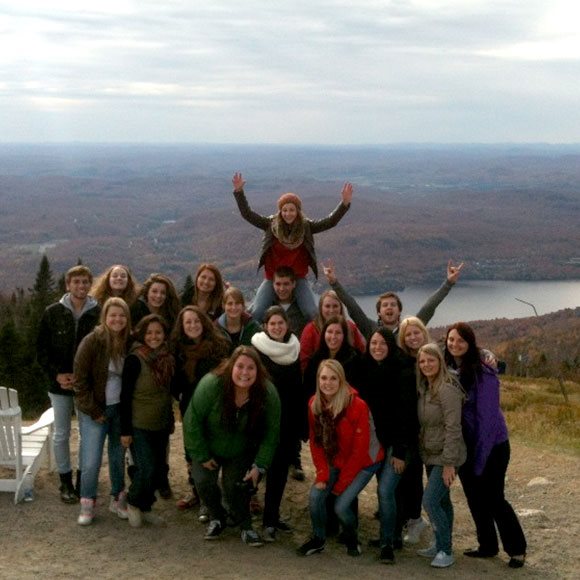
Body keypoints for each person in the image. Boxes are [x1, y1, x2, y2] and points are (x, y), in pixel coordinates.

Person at [445, 322, 527, 569]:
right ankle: (487, 545)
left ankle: (517, 550)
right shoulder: (449, 367)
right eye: (451, 340)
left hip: (492, 445)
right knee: (474, 497)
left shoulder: (483, 373)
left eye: (461, 341)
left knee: (494, 498)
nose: (454, 344)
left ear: (471, 344)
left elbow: (487, 421)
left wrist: (479, 460)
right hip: (467, 444)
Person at [183, 346, 281, 547]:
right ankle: (217, 517)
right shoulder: (211, 384)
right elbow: (191, 420)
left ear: (258, 370)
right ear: (230, 367)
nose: (245, 373)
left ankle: (246, 525)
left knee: (235, 487)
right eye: (240, 366)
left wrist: (259, 465)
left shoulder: (267, 392)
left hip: (240, 449)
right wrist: (201, 454)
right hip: (208, 446)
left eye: (251, 368)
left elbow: (272, 433)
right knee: (202, 482)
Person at [232, 172, 353, 322]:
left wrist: (344, 204)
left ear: (298, 211)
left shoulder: (306, 227)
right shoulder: (270, 225)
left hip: (298, 277)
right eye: (285, 210)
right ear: (280, 211)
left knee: (311, 313)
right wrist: (239, 192)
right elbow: (248, 214)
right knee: (257, 313)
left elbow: (330, 222)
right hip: (273, 278)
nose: (288, 213)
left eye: (292, 210)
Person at [297, 359, 384, 558]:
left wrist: (339, 486)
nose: (328, 383)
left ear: (342, 380)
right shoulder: (314, 404)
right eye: (323, 378)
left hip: (365, 462)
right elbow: (316, 442)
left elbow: (359, 451)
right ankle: (318, 539)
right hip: (336, 459)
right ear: (318, 380)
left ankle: (351, 536)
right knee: (315, 496)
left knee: (340, 505)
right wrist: (322, 473)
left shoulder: (357, 405)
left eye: (333, 378)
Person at [36, 264, 100, 503]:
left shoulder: (99, 313)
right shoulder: (52, 312)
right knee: (61, 434)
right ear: (67, 285)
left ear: (90, 284)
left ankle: (84, 480)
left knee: (87, 435)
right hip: (59, 385)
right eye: (76, 282)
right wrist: (57, 375)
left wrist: (84, 378)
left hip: (86, 386)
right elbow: (41, 350)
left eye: (85, 282)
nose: (81, 286)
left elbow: (102, 353)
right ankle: (65, 482)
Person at [357, 327, 417, 564]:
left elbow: (407, 414)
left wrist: (401, 452)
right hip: (376, 440)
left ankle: (387, 544)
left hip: (398, 443)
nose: (377, 348)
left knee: (385, 490)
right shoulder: (365, 367)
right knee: (387, 489)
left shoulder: (402, 371)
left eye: (382, 344)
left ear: (391, 346)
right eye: (373, 344)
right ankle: (393, 535)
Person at [73, 297, 131, 526]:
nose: (117, 319)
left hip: (119, 409)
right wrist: (93, 410)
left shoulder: (129, 342)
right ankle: (87, 502)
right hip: (95, 409)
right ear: (105, 317)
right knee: (91, 460)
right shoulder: (92, 342)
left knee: (118, 457)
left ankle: (117, 498)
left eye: (122, 315)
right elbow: (80, 382)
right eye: (113, 315)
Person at [171, 306, 230, 514]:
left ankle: (211, 496)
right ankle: (197, 492)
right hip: (189, 407)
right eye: (188, 322)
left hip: (214, 407)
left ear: (203, 322)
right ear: (182, 326)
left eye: (196, 321)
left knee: (211, 449)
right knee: (192, 451)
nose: (193, 325)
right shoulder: (177, 350)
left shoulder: (218, 345)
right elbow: (174, 381)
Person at [250, 306, 303, 541]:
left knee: (279, 473)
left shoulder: (295, 350)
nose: (277, 327)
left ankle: (271, 520)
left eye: (281, 323)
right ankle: (242, 517)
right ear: (265, 326)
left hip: (286, 421)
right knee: (255, 469)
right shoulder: (256, 350)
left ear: (287, 325)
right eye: (272, 324)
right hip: (260, 420)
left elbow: (298, 388)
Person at [120, 314, 175, 528]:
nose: (154, 337)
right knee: (146, 468)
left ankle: (146, 506)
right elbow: (124, 396)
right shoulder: (135, 359)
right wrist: (125, 431)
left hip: (161, 423)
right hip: (139, 424)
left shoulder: (167, 358)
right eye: (149, 333)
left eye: (158, 333)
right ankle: (132, 502)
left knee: (159, 469)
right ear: (142, 334)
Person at [415, 343, 466, 568]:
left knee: (430, 500)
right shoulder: (426, 387)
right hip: (430, 452)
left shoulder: (447, 389)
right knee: (443, 501)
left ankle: (446, 549)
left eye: (431, 360)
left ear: (440, 362)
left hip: (446, 455)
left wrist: (449, 464)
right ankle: (440, 544)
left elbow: (454, 428)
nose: (426, 364)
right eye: (422, 361)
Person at [322, 260, 464, 337]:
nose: (389, 307)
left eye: (393, 305)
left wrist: (448, 283)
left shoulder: (410, 330)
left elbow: (429, 307)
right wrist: (334, 283)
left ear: (399, 310)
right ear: (378, 312)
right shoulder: (370, 328)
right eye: (384, 305)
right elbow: (352, 307)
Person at [300, 290, 366, 372]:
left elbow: (361, 352)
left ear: (340, 308)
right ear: (321, 308)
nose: (331, 310)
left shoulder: (350, 327)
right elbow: (304, 361)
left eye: (335, 306)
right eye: (327, 306)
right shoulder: (310, 329)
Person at [303, 315, 363, 399]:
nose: (333, 337)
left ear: (344, 335)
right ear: (324, 333)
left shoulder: (355, 358)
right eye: (329, 332)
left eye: (338, 333)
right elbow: (308, 389)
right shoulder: (315, 359)